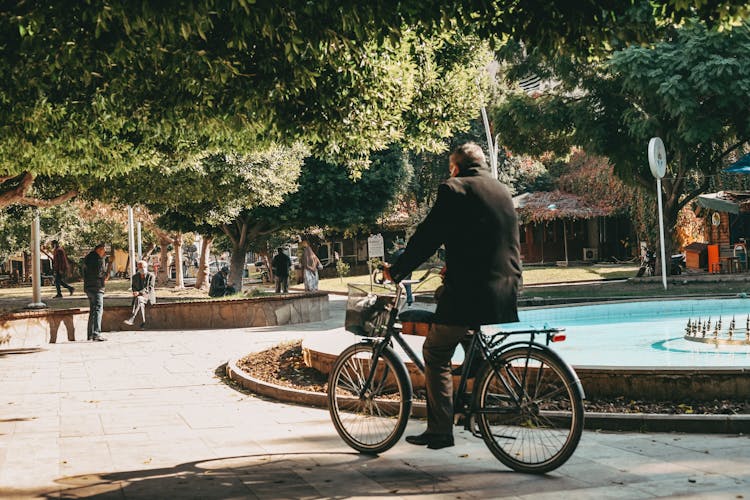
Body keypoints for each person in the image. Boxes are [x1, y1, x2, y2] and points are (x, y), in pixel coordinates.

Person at [384, 142, 522, 450]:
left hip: (472, 289)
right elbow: (484, 238)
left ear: (455, 168)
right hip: (507, 285)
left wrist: (398, 270)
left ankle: (440, 430)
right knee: (449, 308)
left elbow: (427, 238)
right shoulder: (501, 191)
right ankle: (476, 377)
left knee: (435, 352)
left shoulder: (454, 189)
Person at [83, 243, 109, 341]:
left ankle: (90, 334)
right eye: (103, 250)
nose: (104, 252)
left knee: (93, 310)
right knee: (98, 309)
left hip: (88, 287)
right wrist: (105, 275)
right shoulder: (98, 259)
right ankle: (97, 333)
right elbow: (100, 273)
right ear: (99, 249)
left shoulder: (87, 258)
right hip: (97, 287)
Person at [124, 260, 156, 327]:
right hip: (139, 298)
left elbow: (149, 288)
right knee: (140, 302)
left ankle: (132, 318)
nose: (142, 269)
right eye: (140, 267)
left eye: (143, 267)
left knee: (139, 299)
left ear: (146, 267)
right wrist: (135, 292)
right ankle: (143, 323)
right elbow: (133, 287)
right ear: (138, 268)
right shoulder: (135, 277)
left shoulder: (151, 276)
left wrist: (139, 292)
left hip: (148, 297)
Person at [388, 239, 413, 305]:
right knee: (408, 285)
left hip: (400, 272)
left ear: (398, 245)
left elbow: (392, 264)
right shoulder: (409, 252)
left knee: (398, 285)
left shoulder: (396, 253)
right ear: (403, 245)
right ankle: (409, 300)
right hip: (408, 271)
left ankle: (397, 299)